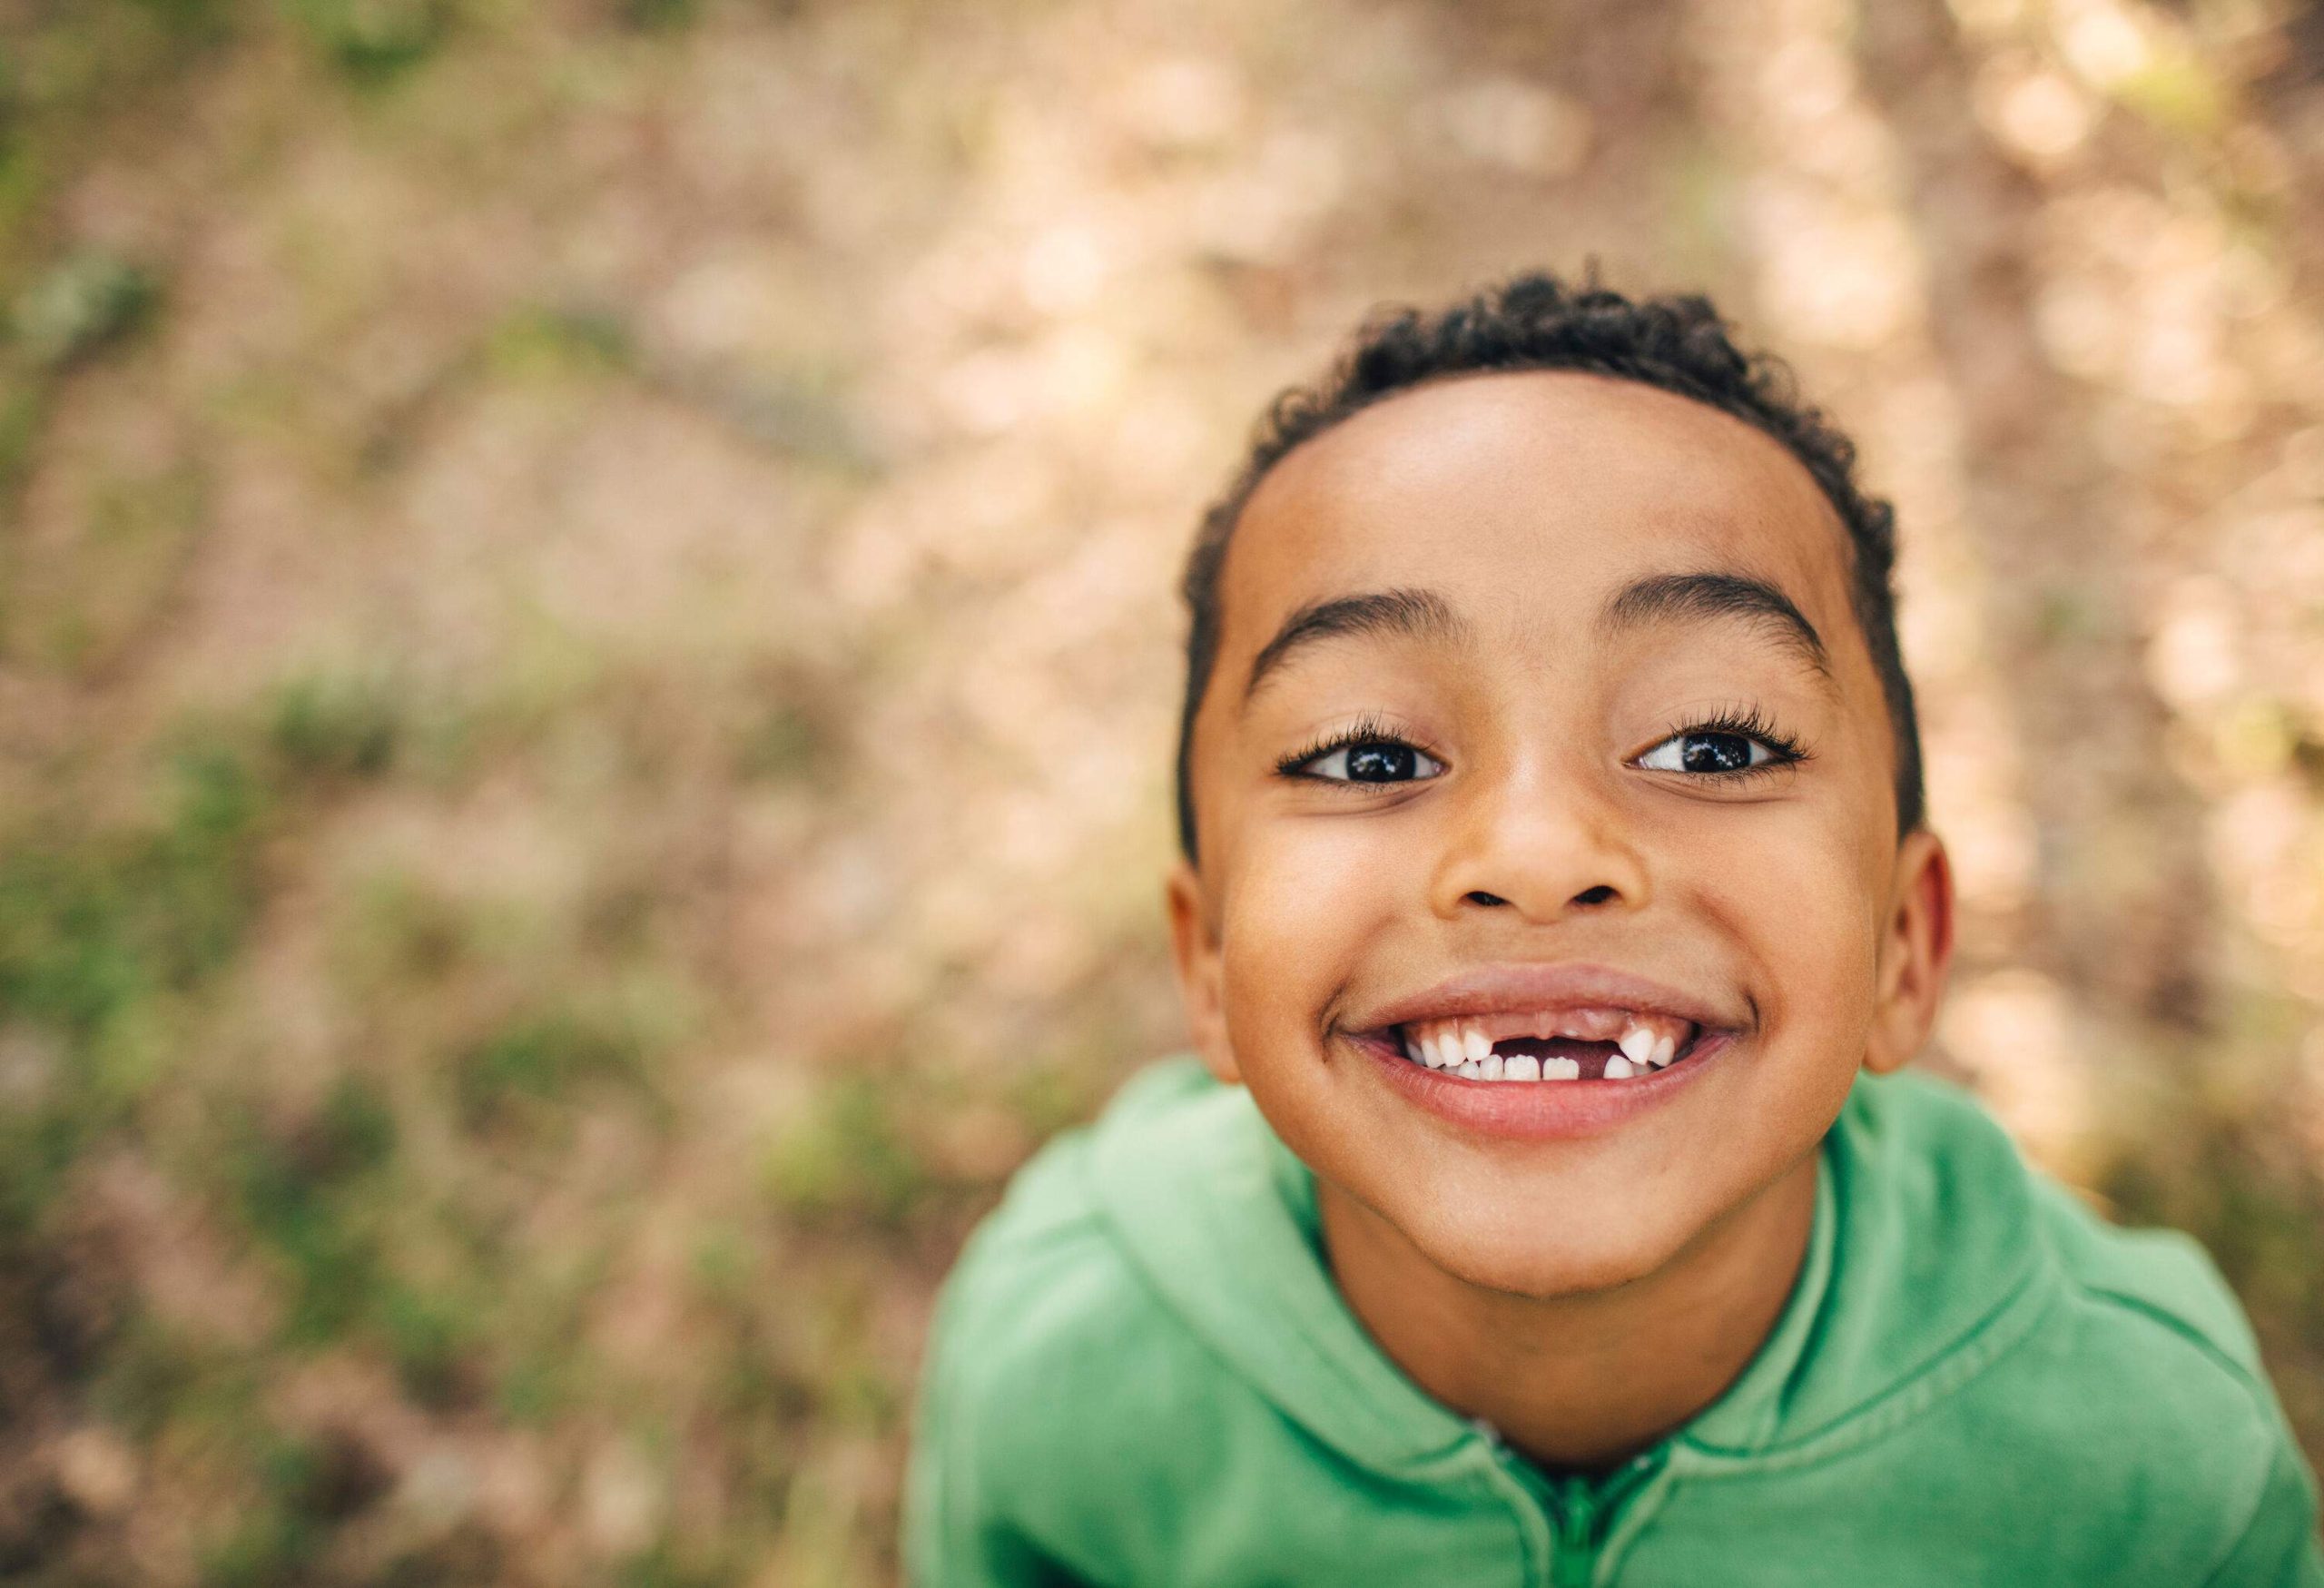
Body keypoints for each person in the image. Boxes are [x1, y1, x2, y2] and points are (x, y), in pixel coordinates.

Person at [899, 271, 2324, 1585]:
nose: (1536, 854)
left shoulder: (2148, 1466)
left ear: (1904, 942)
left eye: (1711, 742)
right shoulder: (1060, 1365)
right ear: (1205, 963)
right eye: (1367, 756)